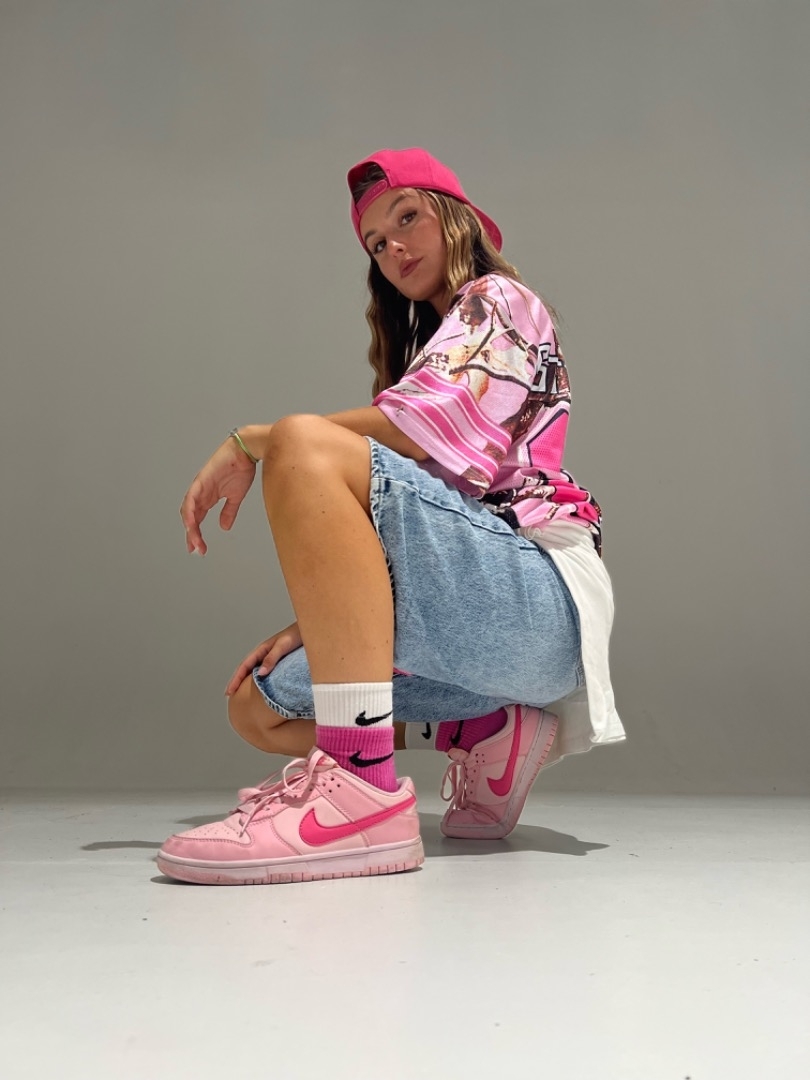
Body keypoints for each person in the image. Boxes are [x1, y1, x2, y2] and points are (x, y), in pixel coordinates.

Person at [157, 147, 625, 886]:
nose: (394, 248)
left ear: (456, 218)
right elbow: (411, 517)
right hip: (464, 613)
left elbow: (422, 429)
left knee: (302, 441)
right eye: (377, 242)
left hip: (536, 601)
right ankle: (487, 728)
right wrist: (321, 619)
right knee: (258, 704)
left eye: (407, 219)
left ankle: (359, 793)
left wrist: (253, 439)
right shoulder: (432, 350)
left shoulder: (502, 300)